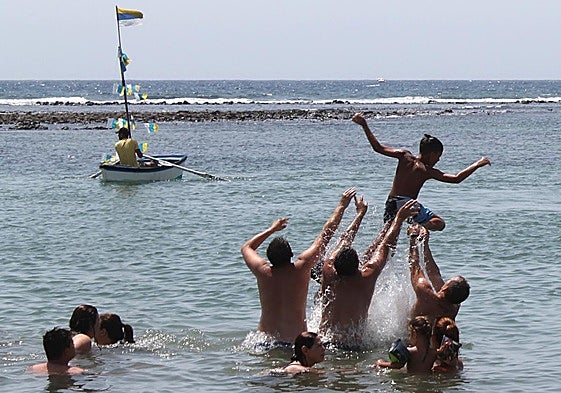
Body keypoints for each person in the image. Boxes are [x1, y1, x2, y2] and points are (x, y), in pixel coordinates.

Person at [240, 188, 358, 346]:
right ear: (291, 254)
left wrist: (272, 229)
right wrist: (342, 205)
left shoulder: (263, 272)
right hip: (294, 343)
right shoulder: (301, 268)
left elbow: (247, 248)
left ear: (269, 258)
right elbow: (326, 234)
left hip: (263, 342)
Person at [351, 112, 491, 231]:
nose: (438, 160)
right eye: (438, 156)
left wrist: (364, 125)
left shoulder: (404, 155)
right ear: (432, 153)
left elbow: (378, 148)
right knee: (439, 223)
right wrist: (478, 164)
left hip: (391, 203)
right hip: (407, 205)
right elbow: (456, 178)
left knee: (387, 241)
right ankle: (416, 228)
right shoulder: (426, 170)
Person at [318, 199, 420, 349]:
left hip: (324, 342)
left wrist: (359, 214)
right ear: (358, 268)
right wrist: (398, 219)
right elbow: (385, 247)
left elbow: (345, 240)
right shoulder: (366, 277)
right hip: (353, 346)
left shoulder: (328, 271)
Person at [408, 226, 470, 322]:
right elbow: (434, 273)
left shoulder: (425, 293)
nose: (443, 282)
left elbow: (415, 267)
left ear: (445, 288)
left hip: (412, 335)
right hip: (437, 336)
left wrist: (413, 238)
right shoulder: (454, 307)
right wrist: (425, 244)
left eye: (446, 282)